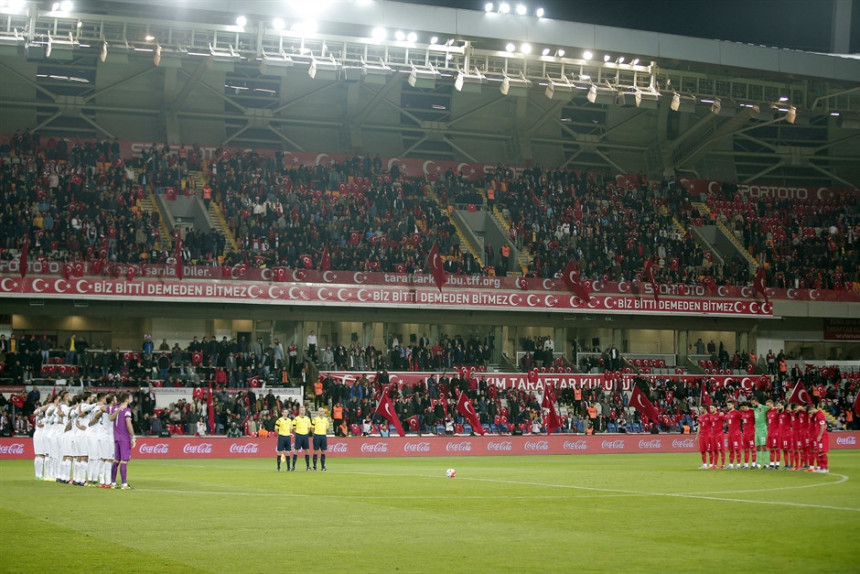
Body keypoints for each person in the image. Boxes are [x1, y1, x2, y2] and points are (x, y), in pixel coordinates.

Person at [111, 392, 135, 489]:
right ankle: (124, 484)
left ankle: (112, 483)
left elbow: (110, 417)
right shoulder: (127, 410)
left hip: (116, 437)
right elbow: (128, 423)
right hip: (124, 438)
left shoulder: (114, 408)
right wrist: (133, 436)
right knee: (124, 461)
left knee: (116, 460)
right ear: (127, 400)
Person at [809, 402, 829, 473]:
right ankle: (821, 468)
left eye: (810, 412)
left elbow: (823, 425)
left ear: (812, 409)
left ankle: (825, 468)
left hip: (822, 436)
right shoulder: (816, 415)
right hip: (818, 436)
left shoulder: (820, 414)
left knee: (822, 452)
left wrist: (820, 435)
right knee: (819, 452)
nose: (810, 414)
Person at [291, 406, 312, 471]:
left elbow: (309, 428)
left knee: (307, 451)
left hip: (305, 436)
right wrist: (296, 434)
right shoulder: (296, 419)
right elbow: (293, 428)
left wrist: (306, 433)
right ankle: (293, 466)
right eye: (301, 410)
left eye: (304, 410)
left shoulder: (307, 419)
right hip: (299, 435)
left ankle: (308, 466)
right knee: (296, 450)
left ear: (305, 411)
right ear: (299, 411)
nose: (303, 411)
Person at [751, 397, 769, 469]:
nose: (753, 404)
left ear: (757, 402)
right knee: (757, 447)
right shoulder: (754, 409)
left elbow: (772, 409)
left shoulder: (764, 407)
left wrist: (767, 425)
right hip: (757, 430)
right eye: (752, 403)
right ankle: (758, 464)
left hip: (763, 429)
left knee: (764, 446)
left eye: (754, 403)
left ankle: (767, 464)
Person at [724, 400, 742, 469]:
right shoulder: (728, 413)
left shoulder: (737, 413)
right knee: (731, 450)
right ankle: (731, 465)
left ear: (733, 405)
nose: (728, 406)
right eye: (727, 405)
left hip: (736, 434)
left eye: (729, 405)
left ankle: (738, 464)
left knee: (737, 449)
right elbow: (728, 423)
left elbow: (743, 418)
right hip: (730, 434)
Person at [739, 402, 756, 469]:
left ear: (747, 406)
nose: (742, 409)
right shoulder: (742, 413)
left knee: (752, 449)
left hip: (751, 433)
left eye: (743, 407)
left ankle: (753, 464)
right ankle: (746, 465)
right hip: (745, 433)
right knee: (746, 449)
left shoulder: (752, 412)